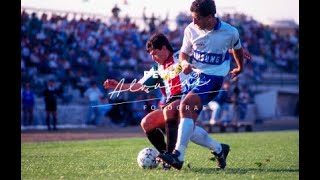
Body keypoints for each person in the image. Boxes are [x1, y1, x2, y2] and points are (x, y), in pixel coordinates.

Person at [104, 32, 228, 170]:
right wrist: (118, 86)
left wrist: (230, 48)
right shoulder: (157, 68)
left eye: (154, 53)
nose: (153, 57)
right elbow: (140, 85)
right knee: (148, 123)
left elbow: (208, 55)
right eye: (150, 54)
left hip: (190, 95)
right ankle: (219, 149)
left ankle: (170, 157)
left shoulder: (182, 56)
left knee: (172, 112)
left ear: (164, 48)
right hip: (172, 101)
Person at [158, 0, 244, 170]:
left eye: (197, 18)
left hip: (213, 79)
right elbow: (183, 54)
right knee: (183, 122)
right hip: (195, 78)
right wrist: (184, 64)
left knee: (186, 106)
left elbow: (237, 49)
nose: (194, 21)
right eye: (192, 17)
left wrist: (239, 67)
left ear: (210, 17)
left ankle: (178, 156)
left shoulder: (230, 32)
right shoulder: (190, 29)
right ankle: (219, 149)